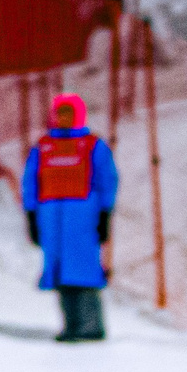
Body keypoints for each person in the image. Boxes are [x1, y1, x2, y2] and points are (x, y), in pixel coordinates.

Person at [20, 91, 119, 343]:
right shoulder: (43, 147)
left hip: (82, 220)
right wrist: (31, 215)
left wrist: (104, 213)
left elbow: (107, 179)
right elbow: (31, 182)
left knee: (84, 272)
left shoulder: (93, 146)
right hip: (51, 218)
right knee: (60, 273)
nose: (63, 118)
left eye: (68, 113)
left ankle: (91, 325)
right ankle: (71, 324)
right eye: (60, 113)